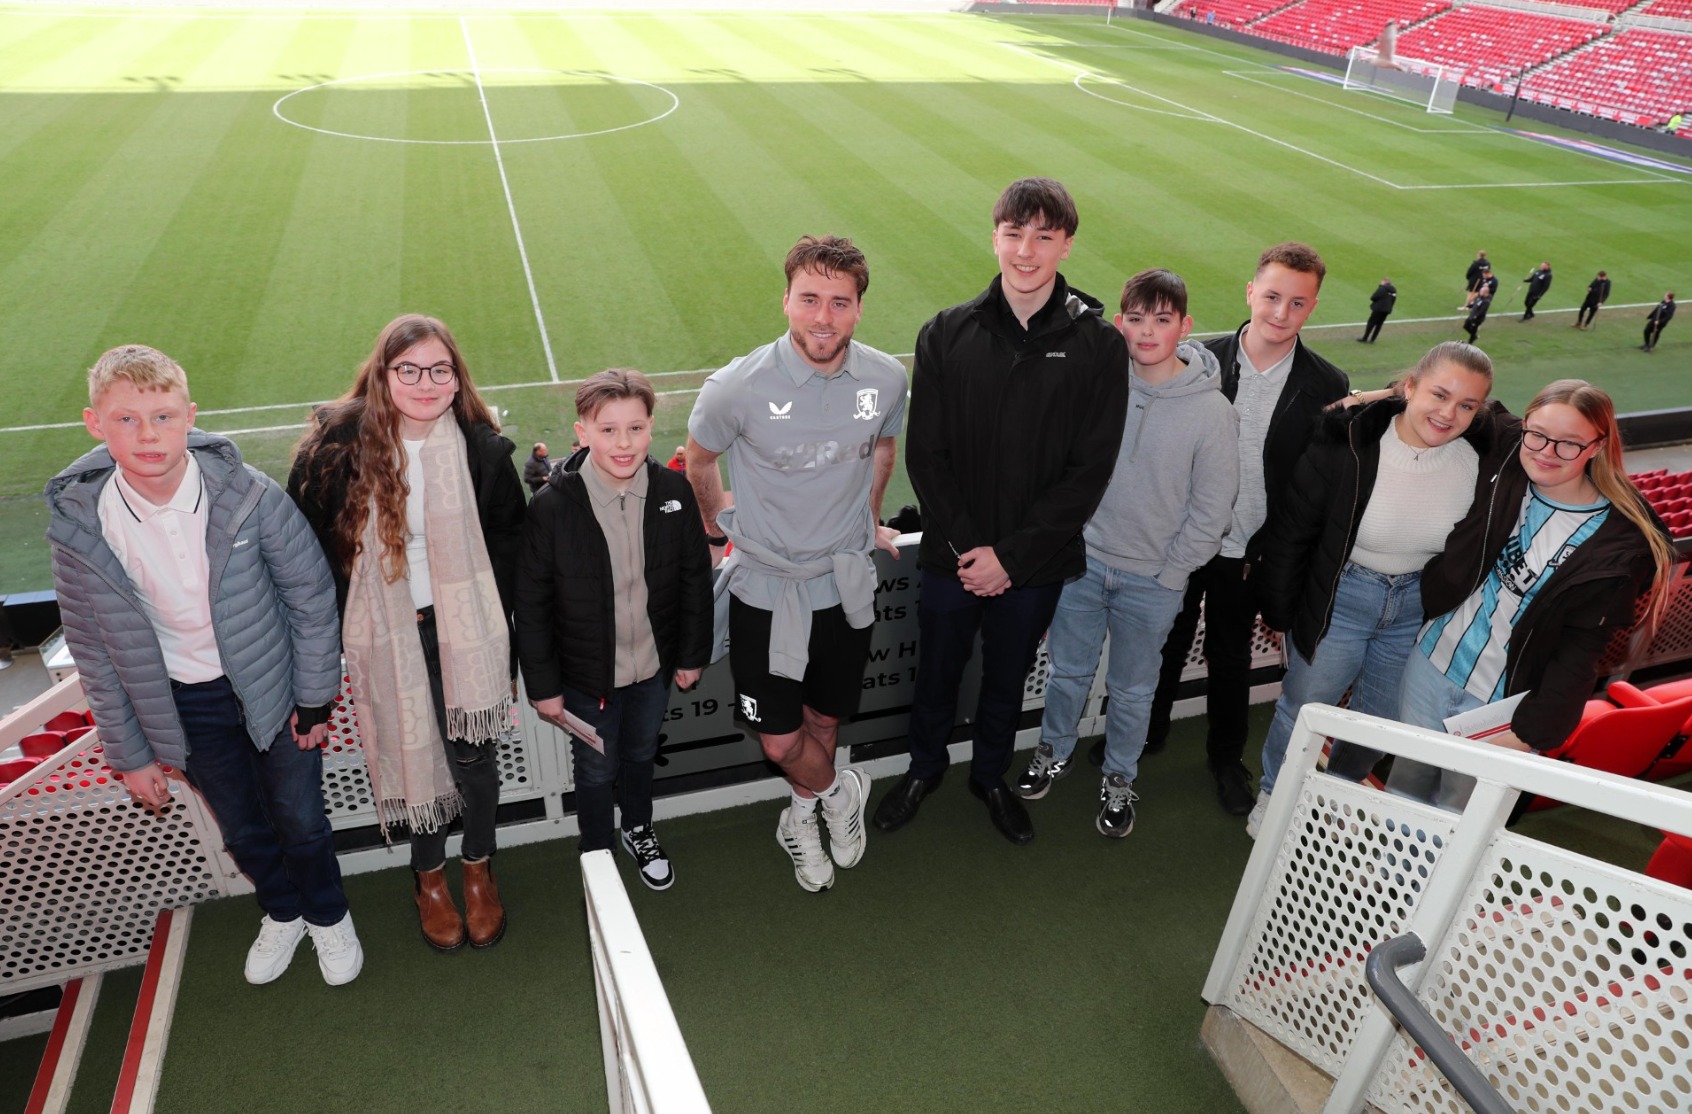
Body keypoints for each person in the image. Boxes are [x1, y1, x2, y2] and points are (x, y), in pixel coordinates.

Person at [46, 345, 361, 987]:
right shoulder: (80, 526)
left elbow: (309, 595)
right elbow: (94, 652)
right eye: (126, 420)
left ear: (190, 416)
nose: (147, 435)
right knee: (242, 827)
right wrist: (129, 753)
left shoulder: (250, 494)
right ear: (93, 423)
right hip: (185, 705)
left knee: (300, 817)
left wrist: (314, 697)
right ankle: (283, 911)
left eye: (162, 416)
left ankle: (329, 916)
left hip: (272, 691)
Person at [873, 176, 1129, 846]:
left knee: (1006, 680)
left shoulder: (1098, 345)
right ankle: (923, 771)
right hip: (950, 558)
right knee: (936, 673)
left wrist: (1011, 558)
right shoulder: (947, 332)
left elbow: (1089, 470)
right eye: (1015, 233)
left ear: (1066, 244)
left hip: (1034, 566)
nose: (1026, 250)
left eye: (1044, 236)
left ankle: (990, 778)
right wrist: (968, 551)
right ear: (996, 236)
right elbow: (927, 456)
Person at [289, 314, 525, 952]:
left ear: (457, 378)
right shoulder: (334, 450)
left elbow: (510, 543)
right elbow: (307, 560)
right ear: (383, 374)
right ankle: (429, 879)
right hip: (388, 637)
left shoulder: (482, 450)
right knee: (415, 761)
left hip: (464, 634)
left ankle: (476, 868)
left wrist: (499, 629)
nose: (425, 382)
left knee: (474, 762)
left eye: (439, 370)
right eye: (409, 370)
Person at [685, 235, 905, 892]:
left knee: (825, 720)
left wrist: (869, 516)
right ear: (787, 300)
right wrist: (719, 523)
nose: (823, 317)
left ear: (858, 310)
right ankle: (840, 789)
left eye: (839, 303)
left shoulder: (887, 377)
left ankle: (801, 816)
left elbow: (883, 447)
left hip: (842, 586)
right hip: (766, 590)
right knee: (779, 739)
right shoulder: (737, 386)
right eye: (810, 299)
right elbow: (698, 459)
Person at [1015, 269, 1237, 839]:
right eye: (1135, 319)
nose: (1147, 331)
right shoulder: (1099, 383)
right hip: (1081, 567)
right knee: (1067, 674)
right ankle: (1053, 752)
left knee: (1134, 691)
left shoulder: (1212, 412)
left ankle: (1119, 777)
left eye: (1162, 320)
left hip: (1153, 581)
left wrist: (1170, 574)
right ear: (1119, 324)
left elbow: (1211, 510)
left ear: (1184, 327)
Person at [1387, 380, 1676, 810]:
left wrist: (1531, 732)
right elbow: (1447, 396)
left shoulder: (1619, 545)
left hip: (1499, 704)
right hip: (1428, 665)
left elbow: (1581, 652)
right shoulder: (1510, 454)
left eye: (1569, 444)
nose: (1545, 451)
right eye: (1537, 434)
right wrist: (1362, 398)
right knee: (1402, 794)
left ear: (1597, 446)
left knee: (1458, 816)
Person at [1249, 343, 1494, 836]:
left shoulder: (1477, 459)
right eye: (1438, 394)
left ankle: (1336, 791)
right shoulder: (1350, 442)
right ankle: (1274, 793)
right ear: (1408, 387)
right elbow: (1292, 531)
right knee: (1305, 708)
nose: (1448, 413)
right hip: (1340, 599)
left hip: (1414, 608)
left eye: (1466, 405)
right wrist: (1278, 611)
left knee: (1380, 719)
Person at [1142, 243, 1349, 816]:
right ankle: (1145, 734)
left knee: (1230, 658)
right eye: (1273, 296)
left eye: (1298, 303)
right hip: (1181, 540)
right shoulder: (1194, 359)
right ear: (1250, 292)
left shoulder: (1327, 383)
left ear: (1311, 308)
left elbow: (1310, 489)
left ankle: (1224, 759)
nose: (1281, 312)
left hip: (1248, 553)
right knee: (1164, 642)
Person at [516, 370, 711, 891]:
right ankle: (597, 849)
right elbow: (531, 607)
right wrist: (544, 688)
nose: (623, 443)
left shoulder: (673, 491)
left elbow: (695, 578)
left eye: (636, 428)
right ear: (582, 432)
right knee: (598, 770)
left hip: (652, 669)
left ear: (651, 429)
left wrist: (692, 654)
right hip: (584, 680)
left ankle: (639, 828)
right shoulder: (552, 508)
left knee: (642, 752)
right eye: (607, 430)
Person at [1359, 277, 1397, 343]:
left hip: (1378, 308)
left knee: (1371, 323)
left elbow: (1373, 297)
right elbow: (1393, 300)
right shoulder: (1394, 290)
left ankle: (1365, 338)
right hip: (1387, 310)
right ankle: (1372, 340)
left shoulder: (1382, 288)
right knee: (1379, 324)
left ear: (1385, 281)